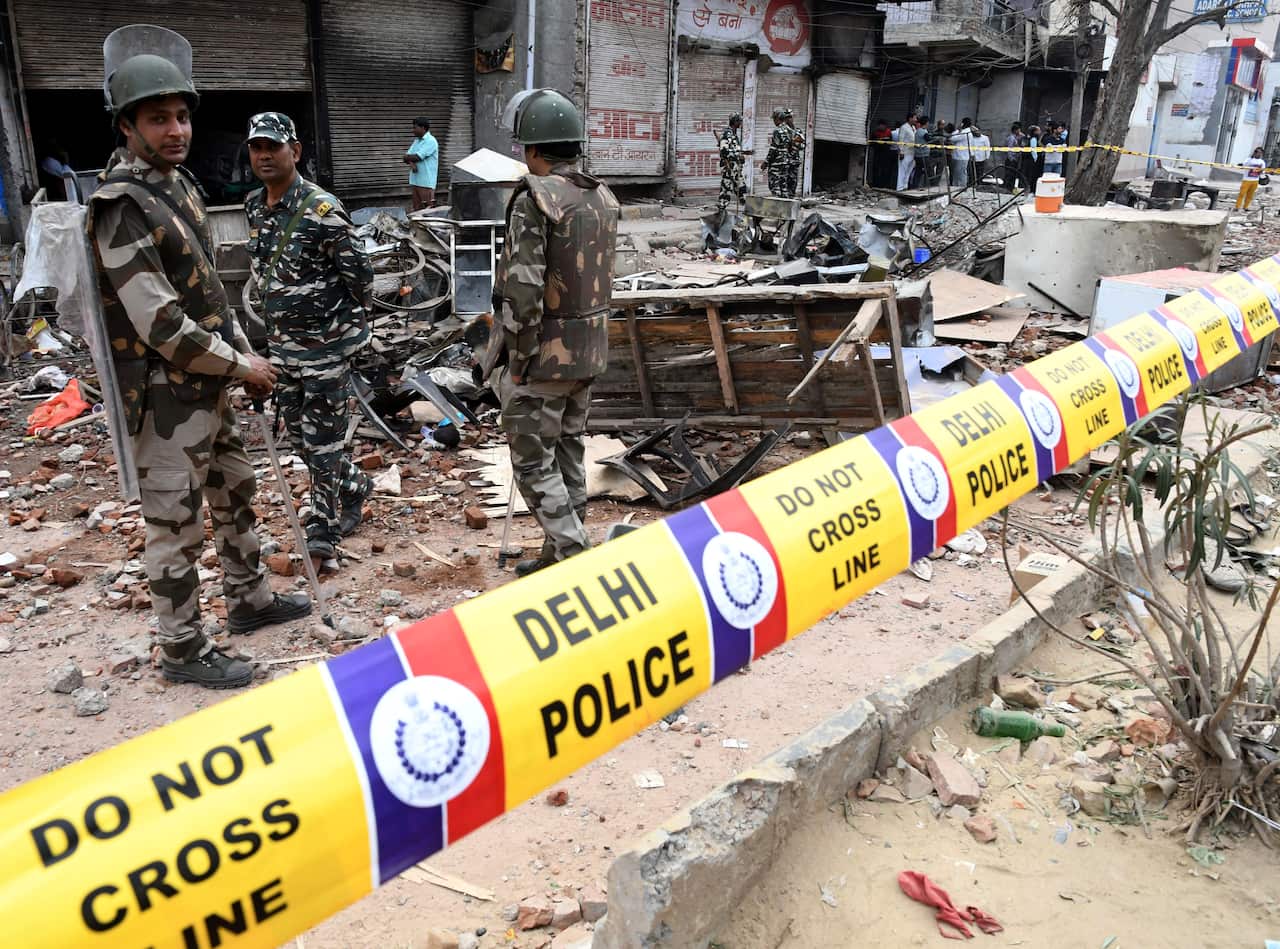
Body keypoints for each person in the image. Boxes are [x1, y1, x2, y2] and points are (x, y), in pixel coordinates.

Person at [86, 26, 311, 689]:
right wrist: (243, 366)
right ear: (127, 126)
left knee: (235, 492)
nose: (176, 129)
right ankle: (182, 649)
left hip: (209, 383)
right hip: (165, 396)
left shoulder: (177, 186)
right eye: (158, 119)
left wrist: (241, 345)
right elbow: (159, 321)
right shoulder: (121, 206)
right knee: (175, 524)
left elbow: (208, 288)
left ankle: (248, 600)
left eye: (182, 116)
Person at [487, 89, 618, 577]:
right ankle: (556, 553)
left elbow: (523, 290)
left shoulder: (534, 198)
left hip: (543, 354)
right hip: (589, 351)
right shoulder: (601, 194)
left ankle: (575, 560)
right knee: (567, 448)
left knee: (531, 461)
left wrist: (517, 360)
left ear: (534, 150)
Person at [244, 112, 375, 573]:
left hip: (325, 349)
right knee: (299, 436)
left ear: (294, 152)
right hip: (283, 350)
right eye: (257, 148)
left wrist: (340, 330)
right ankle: (354, 484)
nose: (264, 155)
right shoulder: (254, 207)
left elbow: (360, 276)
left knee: (322, 440)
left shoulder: (321, 209)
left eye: (273, 147)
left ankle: (323, 533)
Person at [404, 116, 439, 210]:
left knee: (428, 211)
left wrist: (410, 159)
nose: (413, 130)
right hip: (415, 181)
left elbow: (418, 157)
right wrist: (411, 162)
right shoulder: (417, 141)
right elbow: (405, 157)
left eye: (415, 127)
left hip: (426, 182)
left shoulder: (431, 141)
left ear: (423, 128)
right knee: (417, 211)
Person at [716, 113, 747, 210]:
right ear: (735, 122)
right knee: (729, 190)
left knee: (739, 189)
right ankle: (721, 211)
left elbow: (733, 150)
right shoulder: (727, 134)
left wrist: (741, 154)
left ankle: (746, 211)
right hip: (729, 167)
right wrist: (738, 156)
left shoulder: (733, 134)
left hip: (735, 168)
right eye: (739, 121)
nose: (741, 123)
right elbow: (724, 151)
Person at [764, 109, 790, 197]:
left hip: (776, 163)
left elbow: (773, 148)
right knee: (783, 186)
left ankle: (777, 206)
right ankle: (786, 206)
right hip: (785, 161)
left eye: (774, 119)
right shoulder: (789, 130)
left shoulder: (777, 131)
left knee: (774, 186)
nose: (774, 121)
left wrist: (766, 162)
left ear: (778, 119)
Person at [782, 109, 805, 198]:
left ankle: (791, 198)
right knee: (783, 183)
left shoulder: (798, 131)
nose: (789, 120)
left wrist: (794, 144)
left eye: (790, 117)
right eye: (787, 118)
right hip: (784, 162)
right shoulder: (782, 131)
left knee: (793, 182)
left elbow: (803, 146)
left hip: (794, 161)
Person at [895, 113, 918, 191]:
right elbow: (900, 140)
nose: (916, 120)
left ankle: (905, 187)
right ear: (910, 118)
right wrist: (901, 151)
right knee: (902, 171)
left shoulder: (914, 128)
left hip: (912, 152)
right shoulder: (904, 127)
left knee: (909, 171)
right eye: (915, 118)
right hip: (905, 152)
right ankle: (899, 188)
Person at [949, 118, 974, 189]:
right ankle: (956, 187)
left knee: (960, 174)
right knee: (957, 174)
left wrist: (957, 130)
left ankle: (961, 188)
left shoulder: (965, 133)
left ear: (963, 123)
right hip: (958, 156)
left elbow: (952, 138)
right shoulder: (964, 132)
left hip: (961, 157)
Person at [869, 118, 893, 188]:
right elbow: (871, 143)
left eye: (883, 125)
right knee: (876, 169)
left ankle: (884, 185)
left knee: (885, 170)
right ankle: (875, 184)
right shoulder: (875, 133)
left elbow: (890, 142)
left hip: (886, 154)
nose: (881, 127)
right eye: (880, 125)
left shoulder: (888, 132)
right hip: (877, 153)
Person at [1003, 122, 1025, 191]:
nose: (1019, 131)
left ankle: (1010, 188)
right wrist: (1011, 158)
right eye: (1018, 130)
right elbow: (1009, 149)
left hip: (1015, 158)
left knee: (1013, 174)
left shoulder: (1015, 138)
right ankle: (1007, 188)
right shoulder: (1011, 138)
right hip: (1011, 159)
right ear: (1015, 130)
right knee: (1009, 174)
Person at [912, 116, 932, 188]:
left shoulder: (919, 130)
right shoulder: (922, 132)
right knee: (928, 172)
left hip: (918, 155)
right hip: (923, 155)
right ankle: (926, 187)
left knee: (918, 172)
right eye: (928, 122)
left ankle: (915, 186)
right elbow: (929, 139)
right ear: (926, 123)